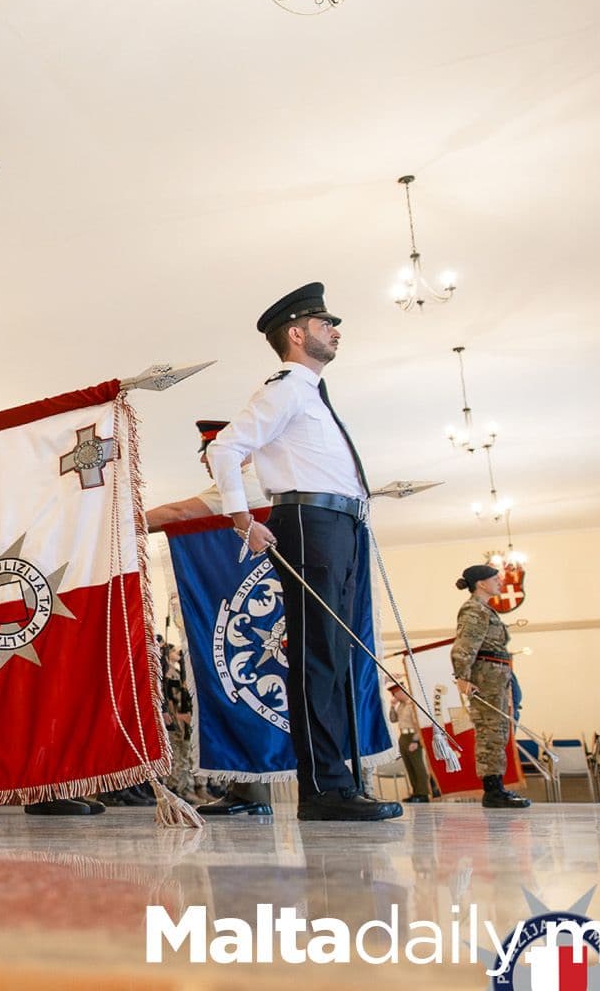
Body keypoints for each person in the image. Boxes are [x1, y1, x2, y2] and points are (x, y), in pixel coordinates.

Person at [206, 283, 402, 823]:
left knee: (336, 655)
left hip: (339, 523)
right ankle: (323, 789)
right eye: (324, 324)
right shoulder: (286, 388)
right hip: (309, 521)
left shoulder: (310, 392)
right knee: (318, 654)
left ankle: (342, 780)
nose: (335, 330)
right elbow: (225, 447)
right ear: (296, 333)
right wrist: (242, 517)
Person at [147, 419, 275, 818]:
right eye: (206, 456)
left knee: (239, 686)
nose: (208, 463)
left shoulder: (241, 488)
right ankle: (250, 790)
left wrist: (114, 521)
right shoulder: (273, 482)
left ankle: (252, 794)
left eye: (214, 454)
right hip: (262, 612)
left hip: (250, 615)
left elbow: (178, 511)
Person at [448, 564, 528, 809]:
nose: (500, 583)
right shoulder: (473, 609)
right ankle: (493, 790)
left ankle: (497, 786)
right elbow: (464, 646)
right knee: (490, 731)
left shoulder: (485, 609)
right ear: (481, 583)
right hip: (486, 678)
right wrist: (462, 677)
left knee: (498, 729)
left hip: (496, 677)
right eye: (496, 579)